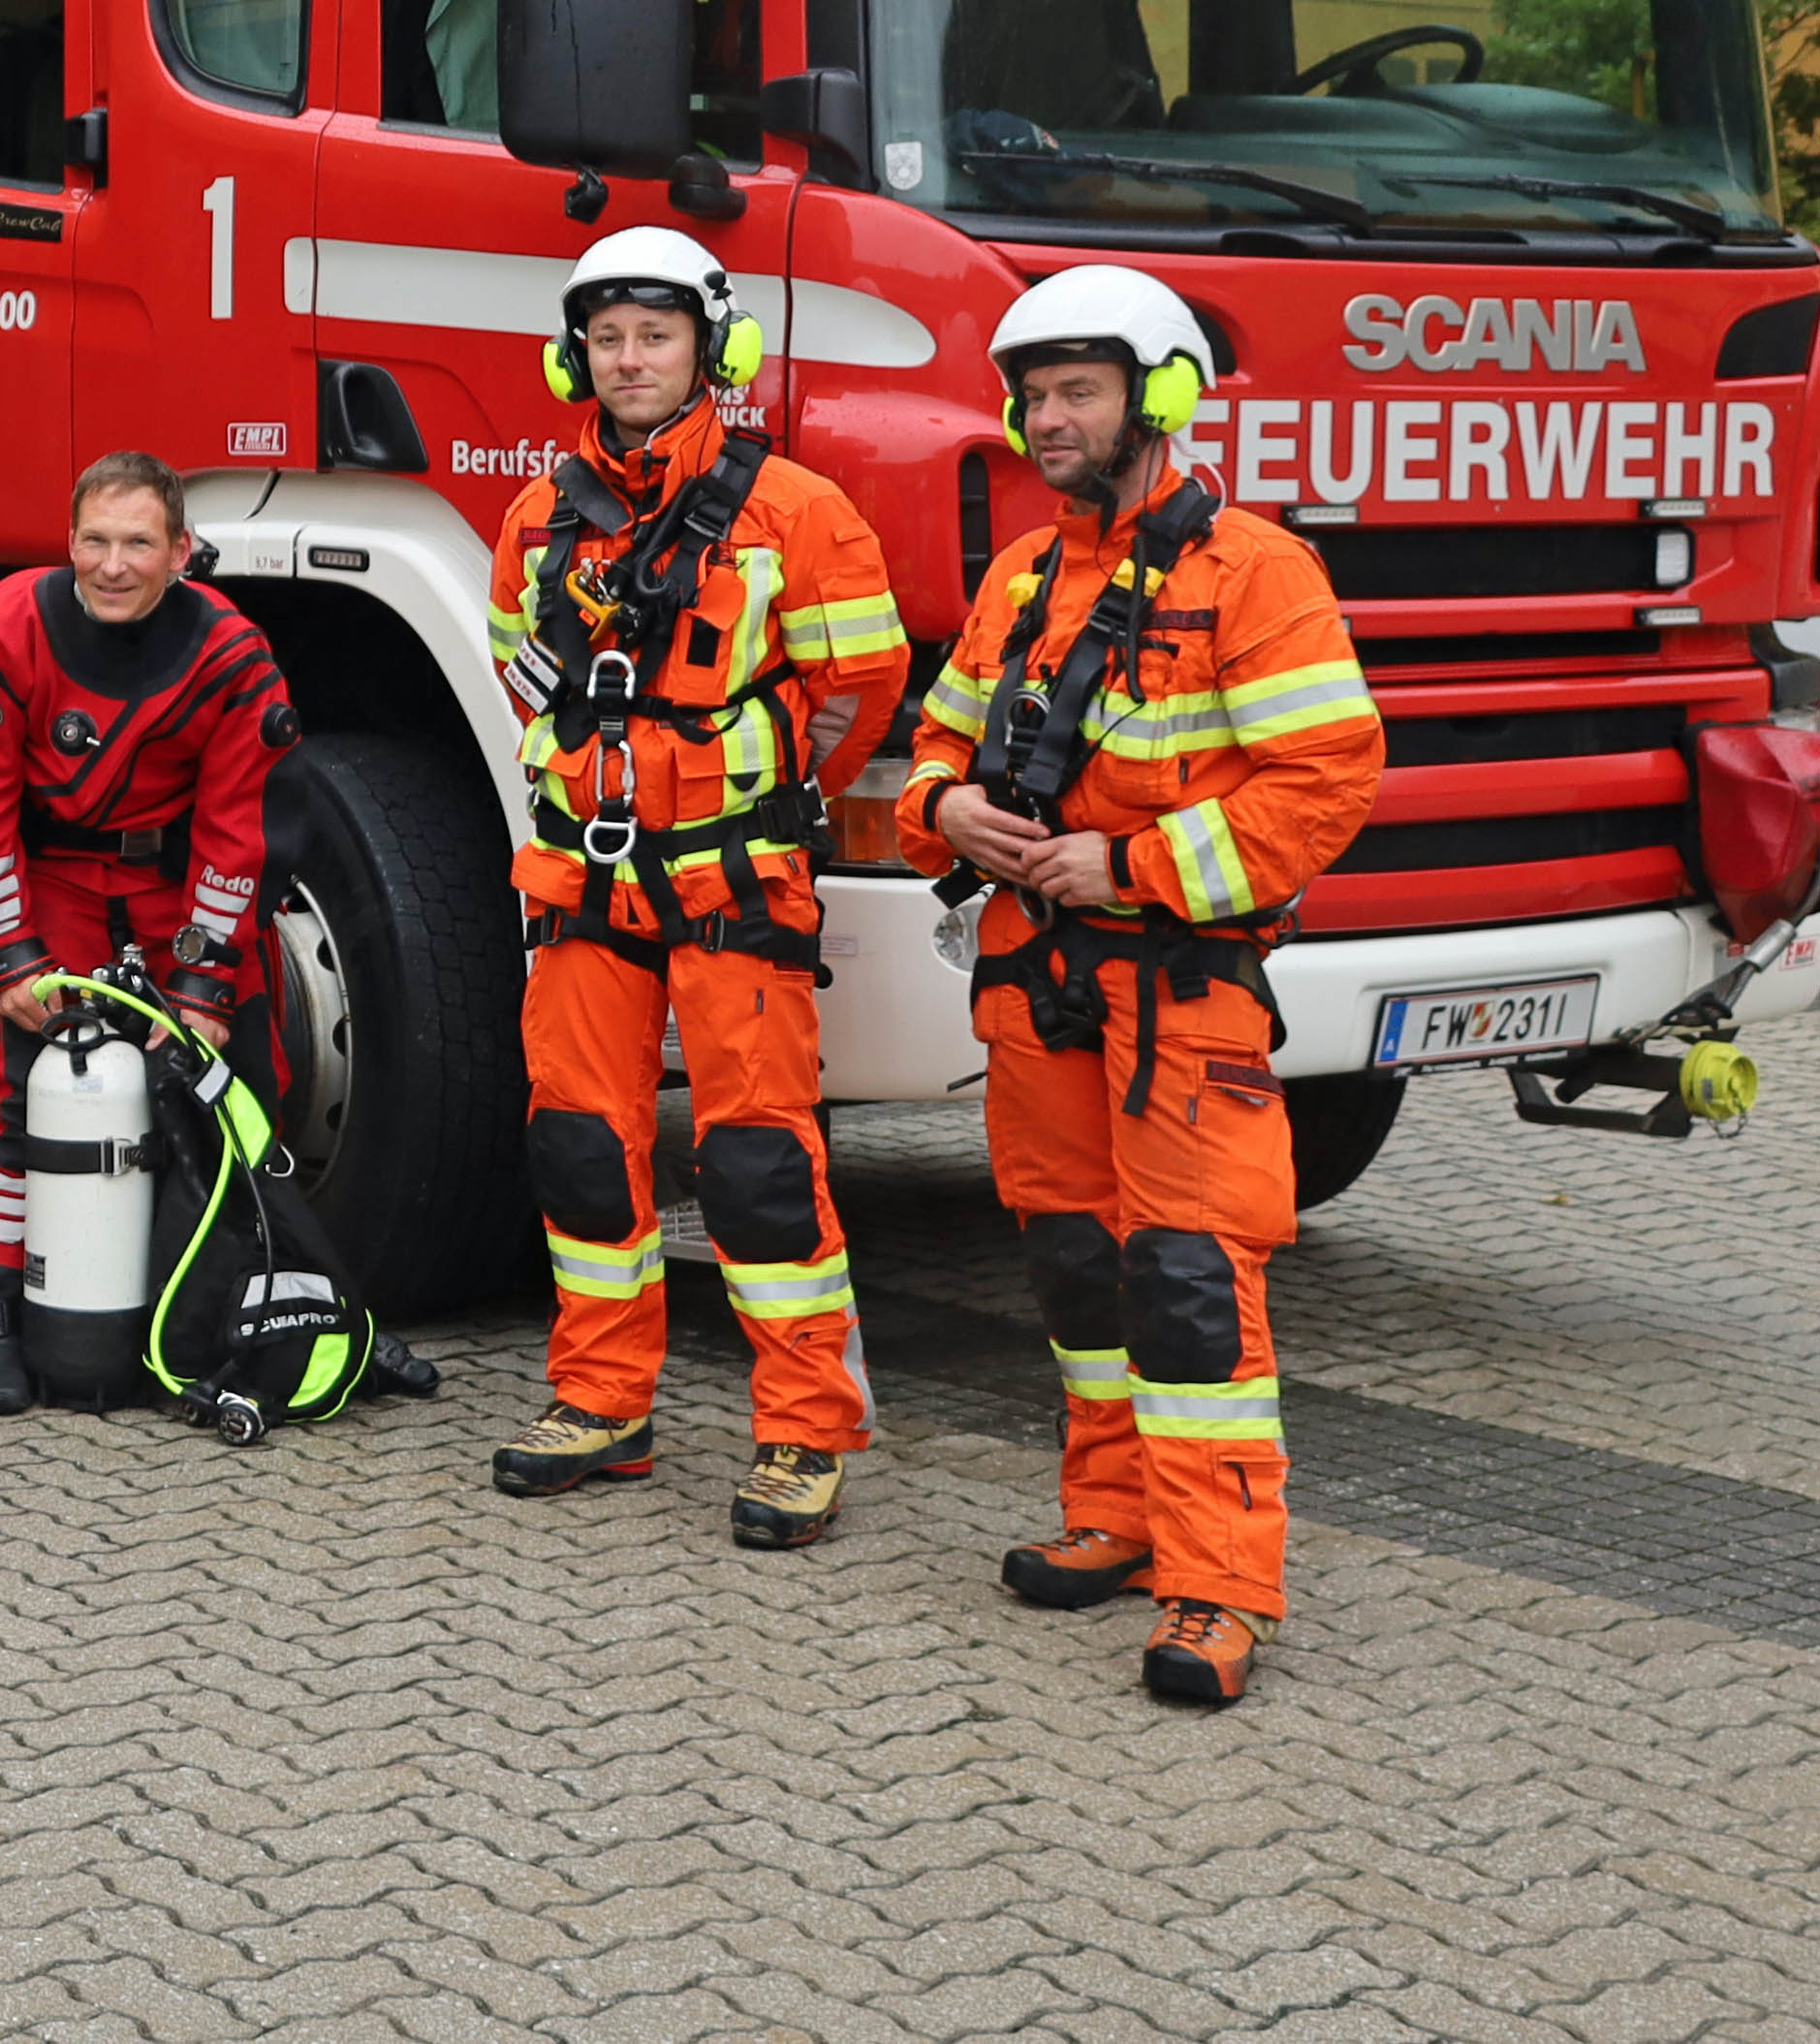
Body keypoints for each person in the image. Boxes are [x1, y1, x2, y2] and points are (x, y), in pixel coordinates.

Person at [900, 266, 1380, 1711]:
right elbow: (938, 743)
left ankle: (1219, 1583)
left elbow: (1326, 781)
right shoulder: (1021, 575)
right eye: (1033, 396)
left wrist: (1134, 862)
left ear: (1156, 398)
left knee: (1186, 1283)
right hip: (1035, 979)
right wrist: (944, 810)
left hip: (1178, 986)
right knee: (1075, 1263)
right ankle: (1113, 1515)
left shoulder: (1256, 572)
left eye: (1078, 392)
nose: (1047, 418)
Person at [483, 229, 908, 1549]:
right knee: (576, 1147)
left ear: (711, 348)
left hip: (734, 875)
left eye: (654, 335)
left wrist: (755, 792)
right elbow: (519, 676)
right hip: (583, 877)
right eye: (605, 337)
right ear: (573, 357)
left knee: (758, 1160)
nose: (628, 359)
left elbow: (861, 691)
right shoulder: (537, 519)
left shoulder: (797, 509)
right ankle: (601, 1399)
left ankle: (803, 1430)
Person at [0, 453, 428, 1417]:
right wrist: (13, 954)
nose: (114, 564)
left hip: (174, 887)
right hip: (50, 877)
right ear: (68, 541)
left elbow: (243, 829)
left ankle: (264, 1305)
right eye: (95, 540)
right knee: (24, 1080)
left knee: (244, 1085)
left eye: (138, 542)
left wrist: (202, 989)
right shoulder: (6, 626)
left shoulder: (230, 655)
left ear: (182, 550)